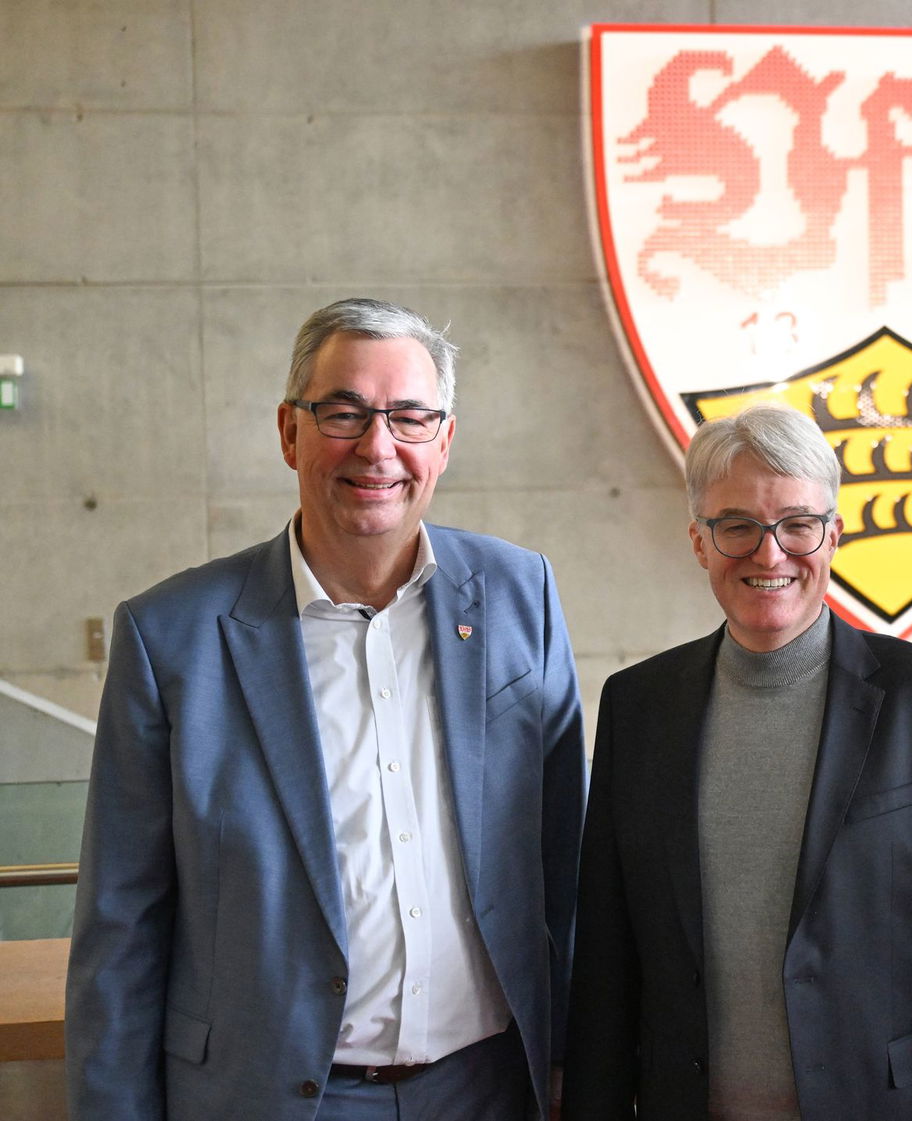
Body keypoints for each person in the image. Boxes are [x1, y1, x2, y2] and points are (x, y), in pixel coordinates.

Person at [66, 298, 585, 1121]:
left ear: (444, 440)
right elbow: (121, 926)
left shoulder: (522, 595)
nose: (378, 447)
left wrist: (573, 1072)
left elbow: (567, 863)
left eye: (411, 417)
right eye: (344, 412)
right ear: (289, 432)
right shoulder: (171, 638)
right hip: (273, 1097)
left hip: (487, 1088)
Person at [562, 403, 912, 1121]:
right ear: (699, 541)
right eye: (737, 525)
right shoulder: (637, 709)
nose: (770, 552)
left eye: (797, 525)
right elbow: (605, 962)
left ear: (832, 535)